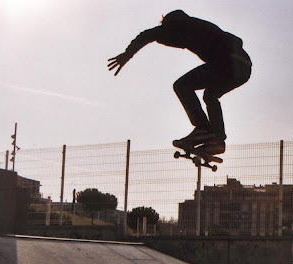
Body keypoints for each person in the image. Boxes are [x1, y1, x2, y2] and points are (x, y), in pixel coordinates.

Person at [107, 10, 252, 155]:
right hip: (243, 68)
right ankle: (218, 141)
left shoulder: (183, 28)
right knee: (210, 95)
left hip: (228, 61)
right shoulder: (194, 26)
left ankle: (203, 129)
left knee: (182, 86)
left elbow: (148, 35)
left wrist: (128, 54)